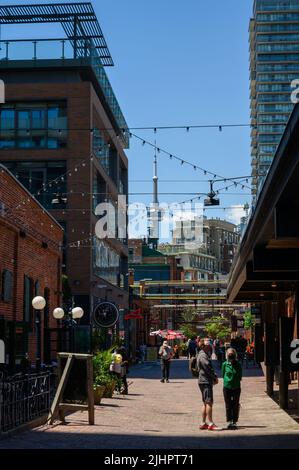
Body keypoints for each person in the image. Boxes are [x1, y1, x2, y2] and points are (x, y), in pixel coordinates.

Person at [197, 338, 220, 431]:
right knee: (209, 402)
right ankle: (210, 423)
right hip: (205, 381)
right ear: (205, 346)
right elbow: (207, 368)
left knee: (205, 402)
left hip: (203, 380)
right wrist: (214, 377)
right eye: (209, 345)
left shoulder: (202, 354)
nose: (210, 347)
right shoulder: (203, 355)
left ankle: (203, 423)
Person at [222, 348, 242, 430]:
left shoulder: (238, 364)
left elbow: (240, 375)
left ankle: (235, 421)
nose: (231, 357)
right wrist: (228, 381)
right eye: (229, 355)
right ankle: (229, 420)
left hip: (236, 387)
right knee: (228, 404)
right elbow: (223, 374)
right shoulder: (224, 364)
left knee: (235, 404)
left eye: (232, 355)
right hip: (227, 386)